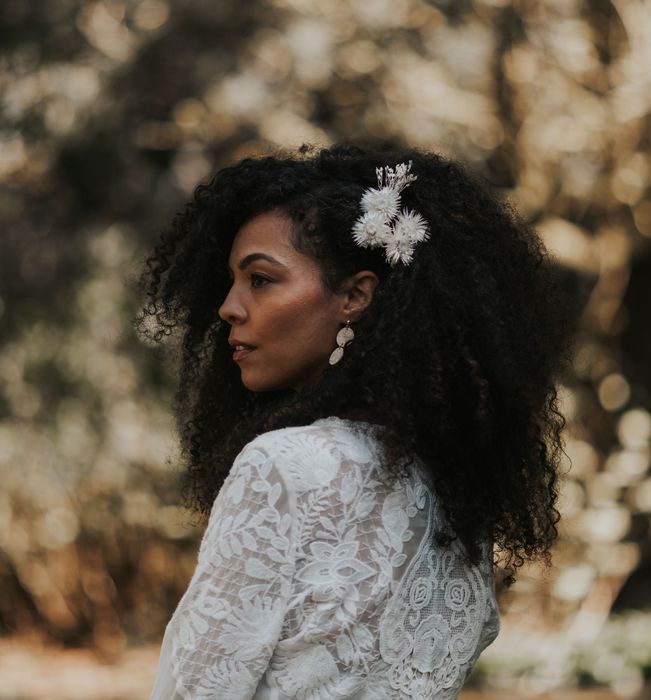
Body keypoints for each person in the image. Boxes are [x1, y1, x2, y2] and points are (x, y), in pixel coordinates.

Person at [139, 143, 572, 699]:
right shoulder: (452, 492)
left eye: (261, 279)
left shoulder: (284, 467)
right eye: (231, 281)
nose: (228, 307)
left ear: (355, 295)